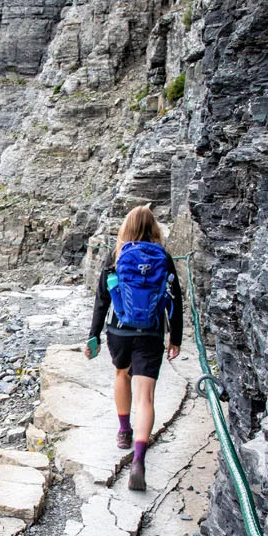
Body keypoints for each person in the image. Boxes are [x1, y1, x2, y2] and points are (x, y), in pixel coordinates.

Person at [84, 205, 183, 491]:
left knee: (121, 375)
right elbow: (175, 298)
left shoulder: (117, 254)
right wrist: (175, 337)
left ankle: (124, 431)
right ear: (154, 229)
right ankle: (138, 460)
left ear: (126, 227)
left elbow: (102, 299)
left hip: (119, 331)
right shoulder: (162, 257)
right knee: (146, 398)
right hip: (151, 332)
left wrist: (94, 336)